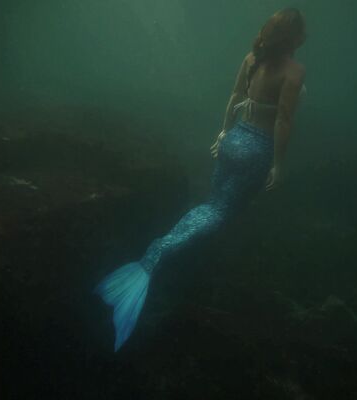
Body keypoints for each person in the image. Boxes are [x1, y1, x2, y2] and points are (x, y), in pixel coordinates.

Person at [95, 8, 306, 351]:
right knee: (219, 213)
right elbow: (283, 121)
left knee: (211, 205)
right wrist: (278, 166)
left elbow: (235, 97)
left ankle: (158, 257)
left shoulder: (252, 57)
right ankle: (152, 261)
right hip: (258, 149)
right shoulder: (295, 72)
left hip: (234, 139)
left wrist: (223, 133)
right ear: (296, 38)